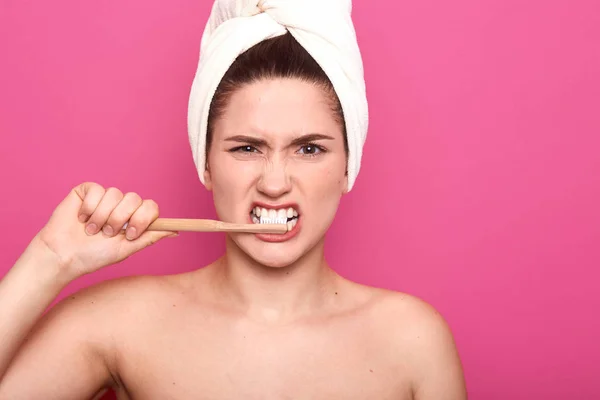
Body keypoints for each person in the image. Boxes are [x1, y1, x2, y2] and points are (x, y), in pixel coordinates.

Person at [0, 1, 467, 399]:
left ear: (349, 165)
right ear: (206, 163)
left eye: (309, 149)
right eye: (247, 148)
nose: (275, 182)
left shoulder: (412, 340)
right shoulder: (116, 323)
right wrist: (49, 260)